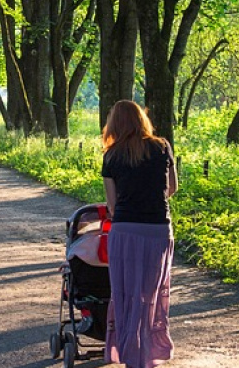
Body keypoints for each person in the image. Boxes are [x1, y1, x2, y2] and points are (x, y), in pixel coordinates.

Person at [101, 100, 178, 368]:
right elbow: (172, 188)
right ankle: (149, 350)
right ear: (141, 120)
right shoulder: (162, 147)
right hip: (158, 228)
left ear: (114, 124)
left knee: (125, 291)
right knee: (152, 292)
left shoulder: (111, 155)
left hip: (125, 229)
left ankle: (128, 350)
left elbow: (112, 205)